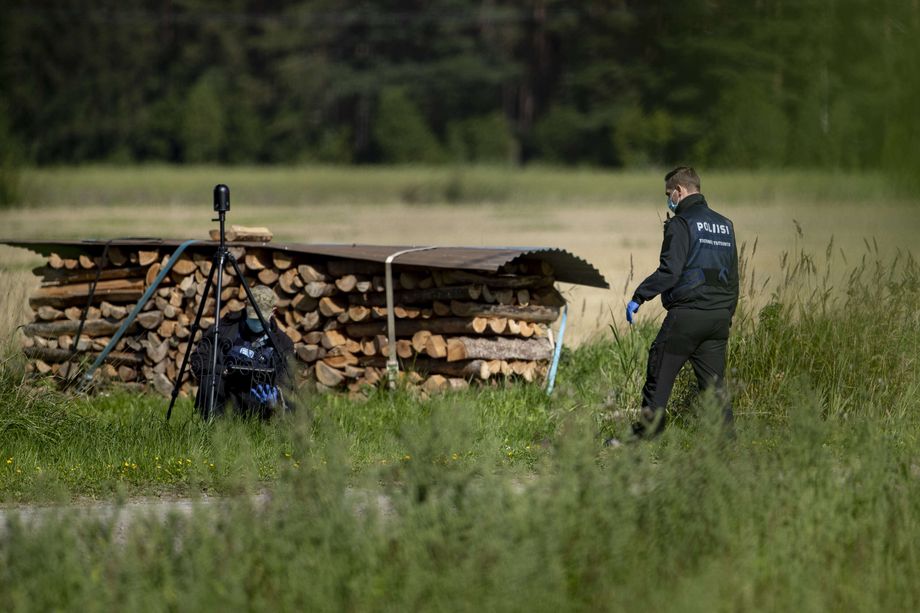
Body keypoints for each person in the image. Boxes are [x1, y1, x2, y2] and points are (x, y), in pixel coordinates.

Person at [621, 167, 739, 439]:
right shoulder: (725, 225)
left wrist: (639, 296)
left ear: (680, 191)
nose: (669, 200)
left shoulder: (681, 224)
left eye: (668, 194)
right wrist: (726, 314)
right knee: (714, 387)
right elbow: (733, 278)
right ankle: (727, 443)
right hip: (718, 318)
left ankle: (645, 435)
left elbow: (670, 272)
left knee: (659, 370)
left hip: (687, 316)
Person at [190, 284, 295, 419]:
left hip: (259, 403)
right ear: (245, 305)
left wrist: (276, 390)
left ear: (273, 312)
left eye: (260, 319)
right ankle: (212, 429)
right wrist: (225, 371)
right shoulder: (224, 329)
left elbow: (288, 378)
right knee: (211, 380)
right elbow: (198, 360)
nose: (256, 322)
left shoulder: (283, 342)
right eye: (252, 317)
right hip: (227, 397)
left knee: (294, 410)